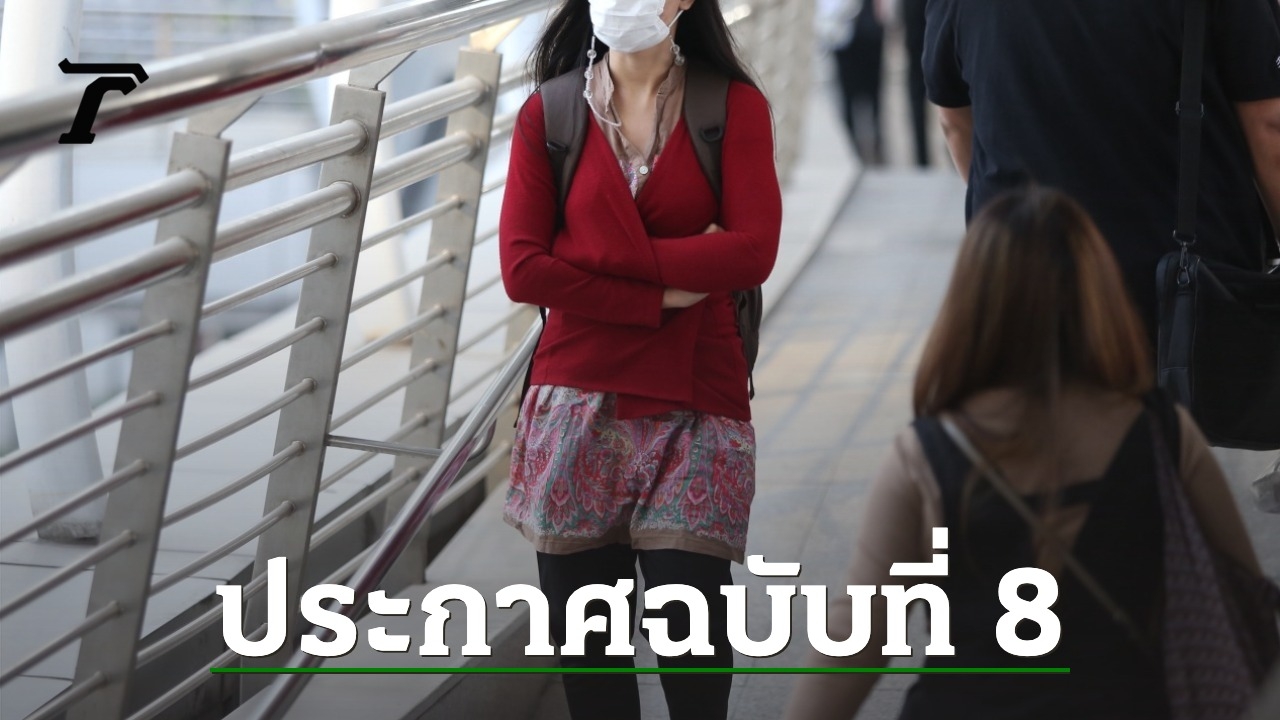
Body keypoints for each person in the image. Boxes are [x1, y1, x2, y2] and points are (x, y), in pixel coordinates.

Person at [782, 187, 1264, 720]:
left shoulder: (926, 457)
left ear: (972, 305)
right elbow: (1247, 600)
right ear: (1098, 298)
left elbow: (856, 640)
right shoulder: (1163, 437)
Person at [498, 1, 781, 718]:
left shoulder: (731, 108)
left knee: (694, 642)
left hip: (697, 400)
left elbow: (753, 251)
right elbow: (523, 270)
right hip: (574, 403)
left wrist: (591, 256)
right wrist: (661, 293)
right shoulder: (549, 115)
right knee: (590, 659)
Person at [923, 0, 1280, 339]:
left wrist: (1011, 215)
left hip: (1021, 277)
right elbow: (1268, 123)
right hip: (1185, 293)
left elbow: (955, 120)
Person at [821, 0, 889, 165]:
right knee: (848, 95)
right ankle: (855, 148)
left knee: (874, 94)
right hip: (842, 31)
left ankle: (876, 144)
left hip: (869, 28)